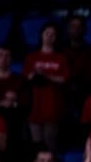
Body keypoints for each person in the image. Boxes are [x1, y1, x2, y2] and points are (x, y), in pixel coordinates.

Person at [23, 20, 69, 149]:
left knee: (50, 146)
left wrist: (46, 75)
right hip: (35, 107)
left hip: (53, 108)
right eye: (47, 33)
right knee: (36, 147)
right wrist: (34, 75)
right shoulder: (31, 57)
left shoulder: (61, 58)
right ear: (41, 35)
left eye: (52, 34)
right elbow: (26, 78)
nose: (49, 36)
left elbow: (64, 79)